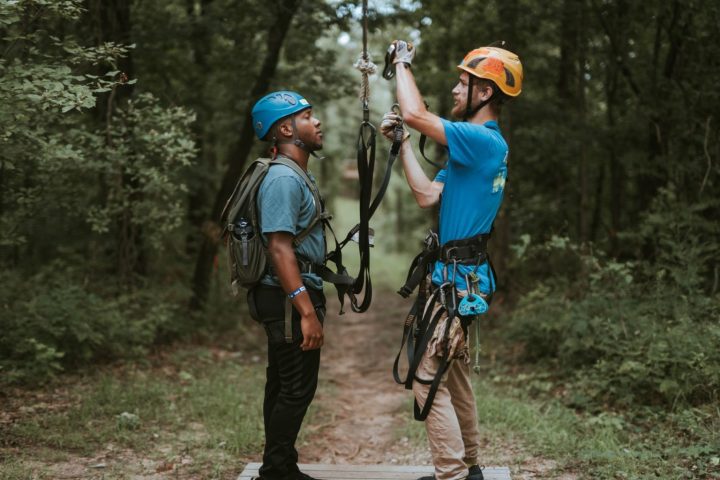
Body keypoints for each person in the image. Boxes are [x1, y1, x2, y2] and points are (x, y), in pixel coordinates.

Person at [381, 43, 523, 480]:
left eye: (462, 84)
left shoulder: (481, 140)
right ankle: (472, 468)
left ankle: (452, 475)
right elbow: (427, 195)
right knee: (452, 373)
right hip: (457, 277)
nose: (455, 89)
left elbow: (417, 114)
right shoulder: (470, 150)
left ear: (484, 92)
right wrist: (405, 144)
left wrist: (402, 63)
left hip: (458, 280)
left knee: (427, 377)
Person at [249, 90, 327, 480]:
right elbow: (279, 248)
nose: (317, 122)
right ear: (285, 128)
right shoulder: (282, 178)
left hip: (285, 295)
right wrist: (306, 311)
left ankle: (280, 467)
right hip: (286, 297)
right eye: (307, 116)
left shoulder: (295, 174)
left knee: (282, 382)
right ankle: (276, 471)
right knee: (296, 387)